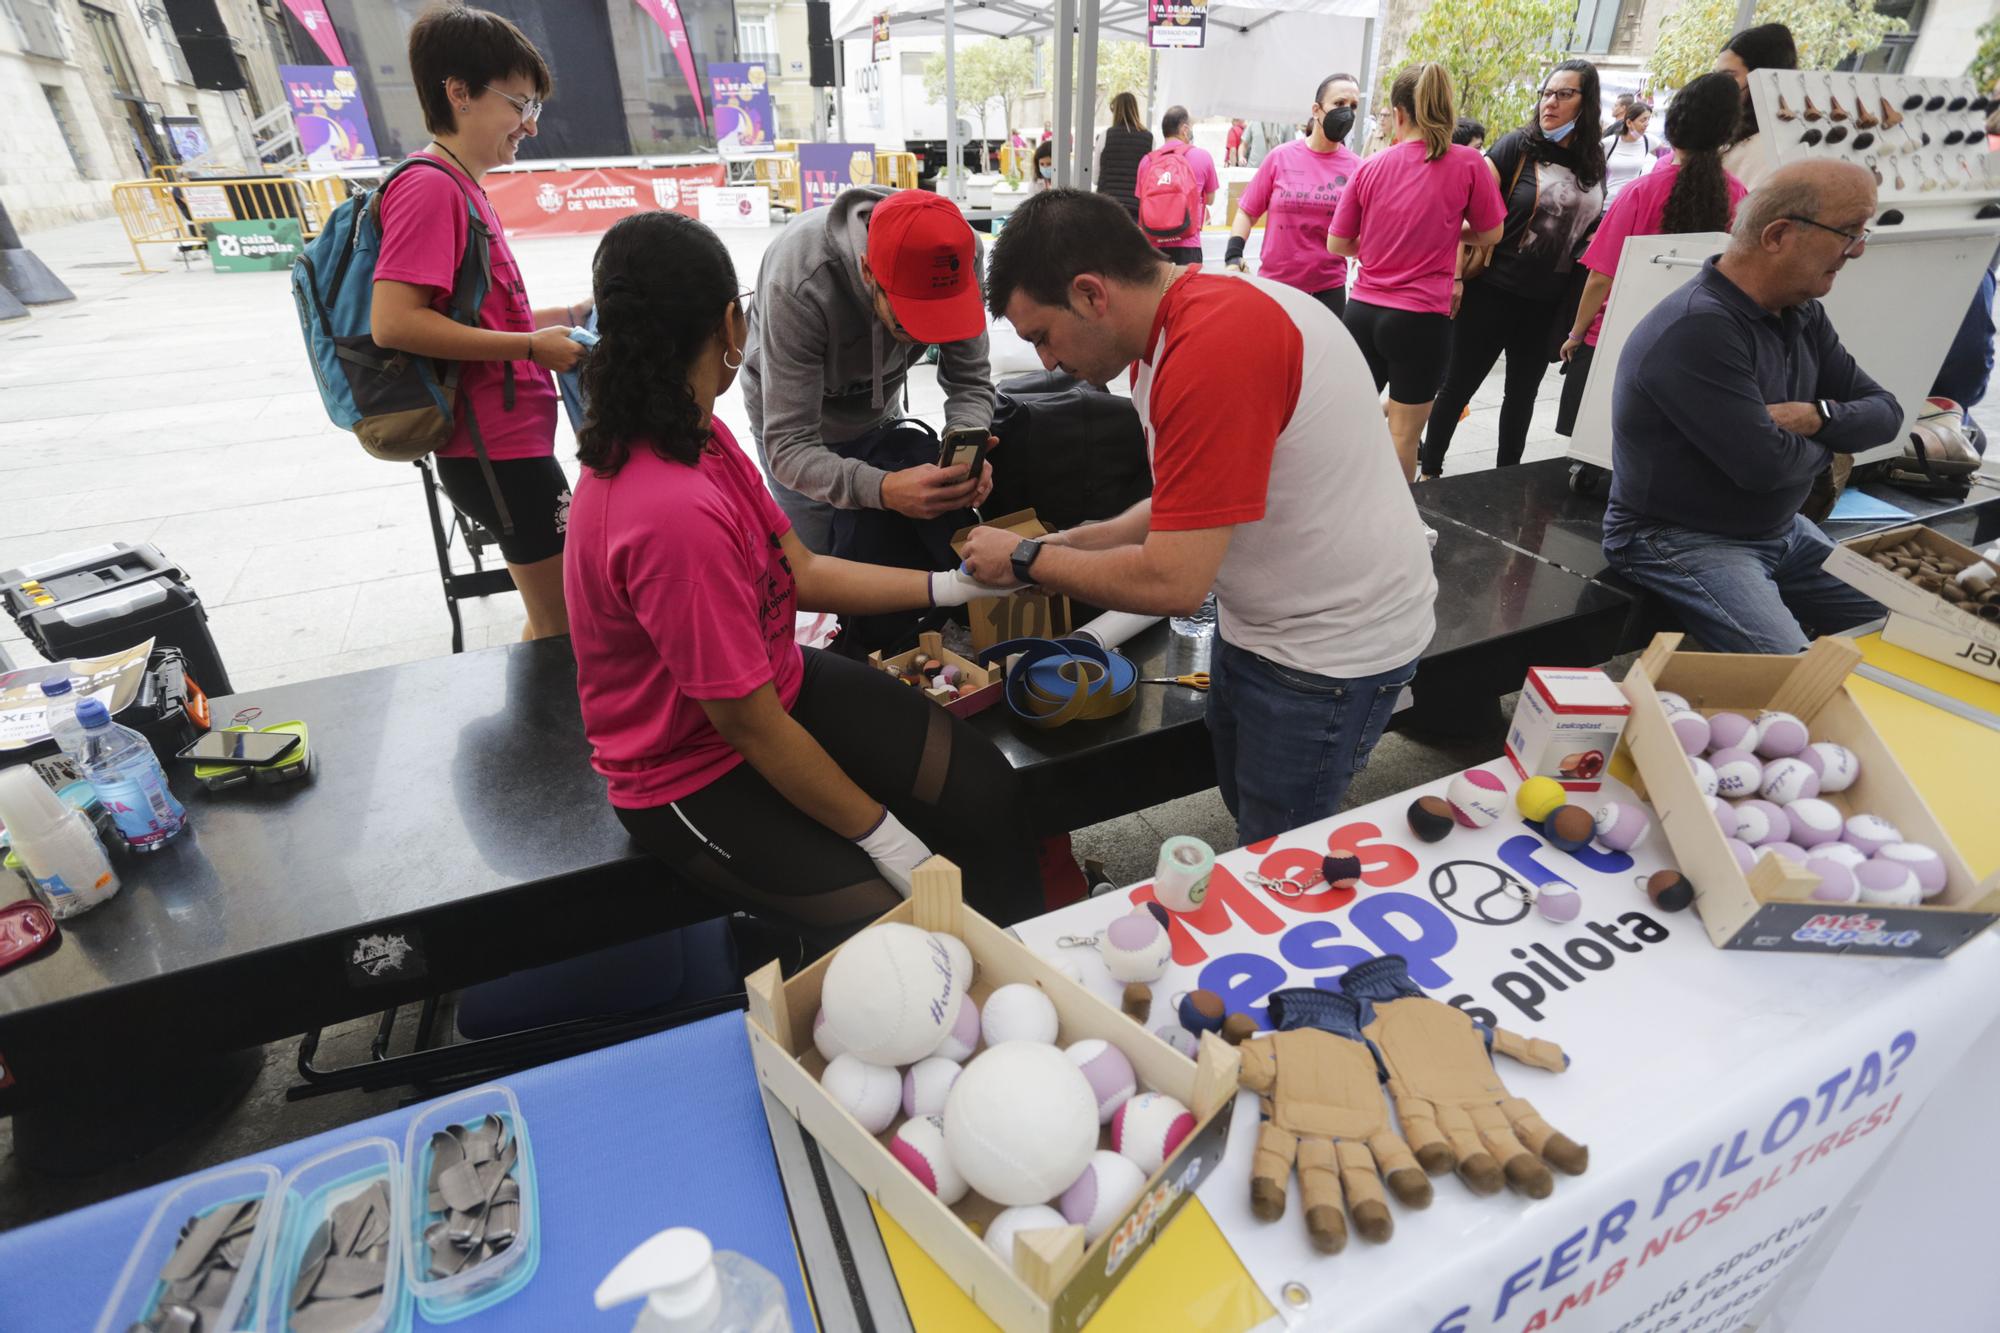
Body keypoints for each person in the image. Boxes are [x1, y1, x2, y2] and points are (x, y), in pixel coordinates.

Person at [565, 210, 1039, 942]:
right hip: (688, 771)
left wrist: (955, 587)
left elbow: (803, 571)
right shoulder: (668, 511)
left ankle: (1028, 959)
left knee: (989, 794)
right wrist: (885, 836)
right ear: (733, 324)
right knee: (895, 928)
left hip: (777, 683)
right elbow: (747, 724)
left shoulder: (701, 433)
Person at [964, 190, 1438, 845]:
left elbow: (1173, 582)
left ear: (1091, 294)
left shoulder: (1215, 344)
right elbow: (1194, 497)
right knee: (1248, 799)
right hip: (1266, 624)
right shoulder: (1165, 332)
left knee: (1280, 850)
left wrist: (1025, 559)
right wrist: (1070, 542)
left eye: (1042, 335)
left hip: (1330, 650)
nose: (1045, 361)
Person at [1602, 161, 1895, 655]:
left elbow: (1885, 414)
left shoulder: (1801, 311)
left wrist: (1816, 417)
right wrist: (1834, 446)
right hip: (1680, 537)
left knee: (1911, 628)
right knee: (1797, 678)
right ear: (1778, 235)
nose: (1858, 250)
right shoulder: (1700, 327)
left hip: (1781, 530)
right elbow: (1763, 466)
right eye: (1848, 232)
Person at [370, 5, 586, 640]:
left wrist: (569, 315)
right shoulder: (431, 187)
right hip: (489, 446)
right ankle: (548, 738)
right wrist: (528, 347)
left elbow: (479, 316)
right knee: (561, 620)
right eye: (519, 103)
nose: (530, 125)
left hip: (509, 441)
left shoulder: (463, 186)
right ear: (459, 93)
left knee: (557, 614)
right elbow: (395, 322)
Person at [742, 187, 996, 553]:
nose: (924, 338)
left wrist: (966, 449)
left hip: (879, 406)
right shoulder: (801, 281)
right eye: (910, 322)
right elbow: (789, 446)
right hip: (793, 420)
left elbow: (970, 379)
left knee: (886, 544)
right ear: (866, 271)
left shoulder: (956, 251)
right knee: (822, 556)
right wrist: (882, 489)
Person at [1420, 59, 1607, 478]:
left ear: (1586, 102)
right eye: (1546, 93)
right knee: (1457, 386)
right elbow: (1459, 212)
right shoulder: (1515, 148)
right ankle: (1430, 473)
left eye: (1563, 94)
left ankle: (1507, 480)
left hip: (1546, 303)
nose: (1550, 103)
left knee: (1522, 397)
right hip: (1492, 291)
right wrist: (1452, 277)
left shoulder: (1593, 163)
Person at [1329, 62, 1505, 481]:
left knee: (1346, 428)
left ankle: (1339, 511)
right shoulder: (1468, 164)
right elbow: (1491, 232)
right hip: (1420, 320)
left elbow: (1337, 244)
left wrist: (1377, 245)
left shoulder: (1370, 166)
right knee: (1403, 438)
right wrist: (1444, 233)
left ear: (1400, 114)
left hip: (1362, 312)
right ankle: (1399, 531)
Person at [1557, 72, 1748, 435]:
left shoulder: (1640, 192)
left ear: (1674, 126)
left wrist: (1577, 334)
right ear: (1727, 135)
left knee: (1591, 440)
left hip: (1616, 337)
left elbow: (1600, 277)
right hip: (1694, 345)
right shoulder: (1739, 197)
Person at [1225, 74, 1363, 317]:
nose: (1347, 113)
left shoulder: (1356, 168)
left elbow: (1363, 233)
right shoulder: (1280, 157)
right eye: (1339, 103)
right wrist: (1233, 255)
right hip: (1277, 287)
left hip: (1328, 291)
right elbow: (1247, 211)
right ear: (1316, 110)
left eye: (1353, 106)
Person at [1715, 22, 1797, 190]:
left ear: (1759, 78)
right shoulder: (1729, 129)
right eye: (1716, 76)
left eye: (1729, 76)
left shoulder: (1768, 148)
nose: (1718, 85)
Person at [1136, 105, 1220, 264]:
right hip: (1188, 244)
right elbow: (1210, 199)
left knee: (1159, 289)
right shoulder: (1202, 156)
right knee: (1186, 289)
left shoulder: (1147, 161)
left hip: (1153, 246)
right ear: (1185, 129)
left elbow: (1142, 201)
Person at [1094, 91, 1154, 223]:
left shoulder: (1105, 136)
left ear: (1115, 111)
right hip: (1137, 208)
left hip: (1107, 206)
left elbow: (1095, 177)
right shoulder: (1149, 138)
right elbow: (1150, 177)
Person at [1602, 100, 1656, 201]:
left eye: (1648, 119)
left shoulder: (1648, 140)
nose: (1647, 124)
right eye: (1643, 120)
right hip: (1607, 203)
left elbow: (1670, 157)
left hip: (1631, 203)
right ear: (1629, 122)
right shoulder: (1610, 142)